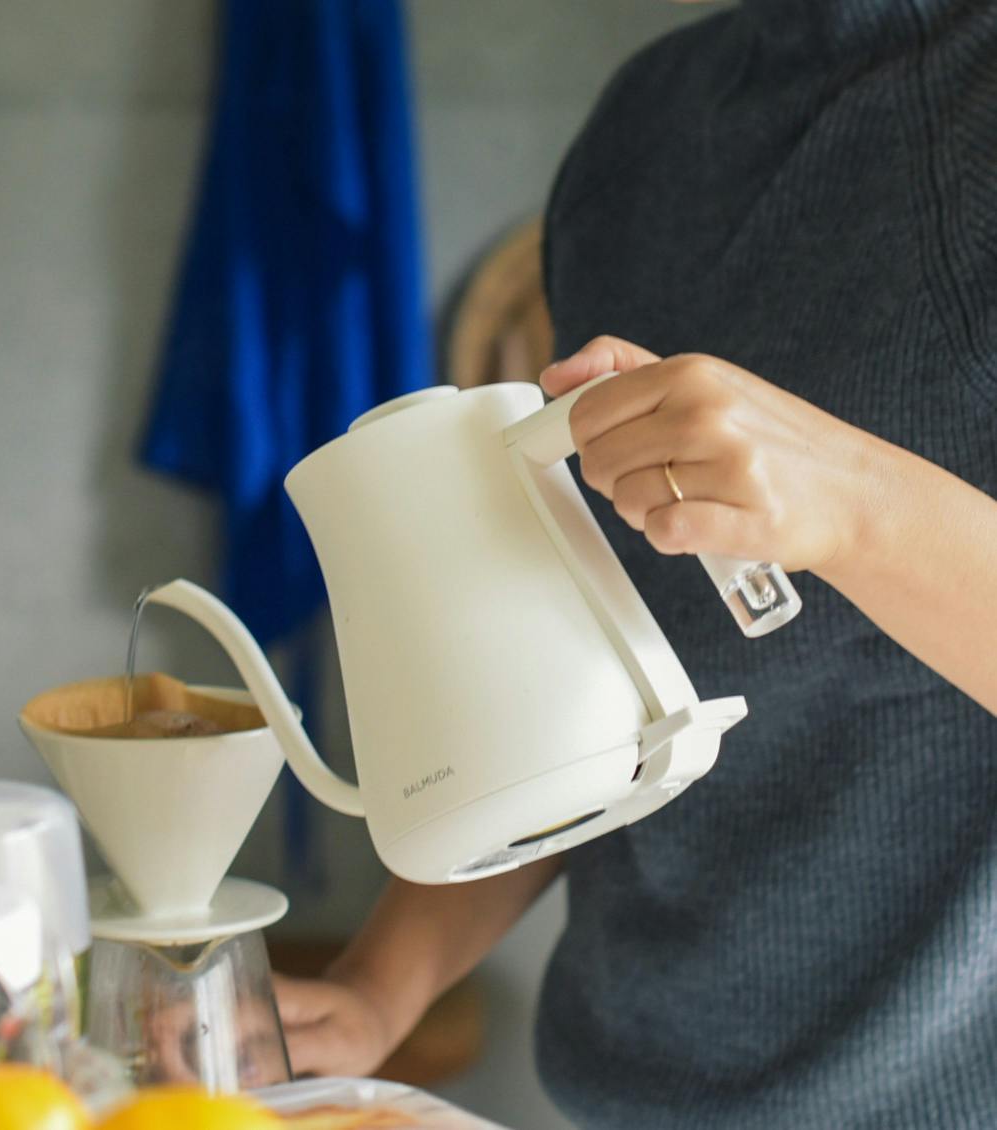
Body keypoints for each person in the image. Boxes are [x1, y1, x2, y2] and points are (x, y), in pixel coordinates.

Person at [274, 0, 997, 1125]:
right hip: (618, 1096)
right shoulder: (645, 122)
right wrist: (375, 991)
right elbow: (595, 672)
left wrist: (855, 509)